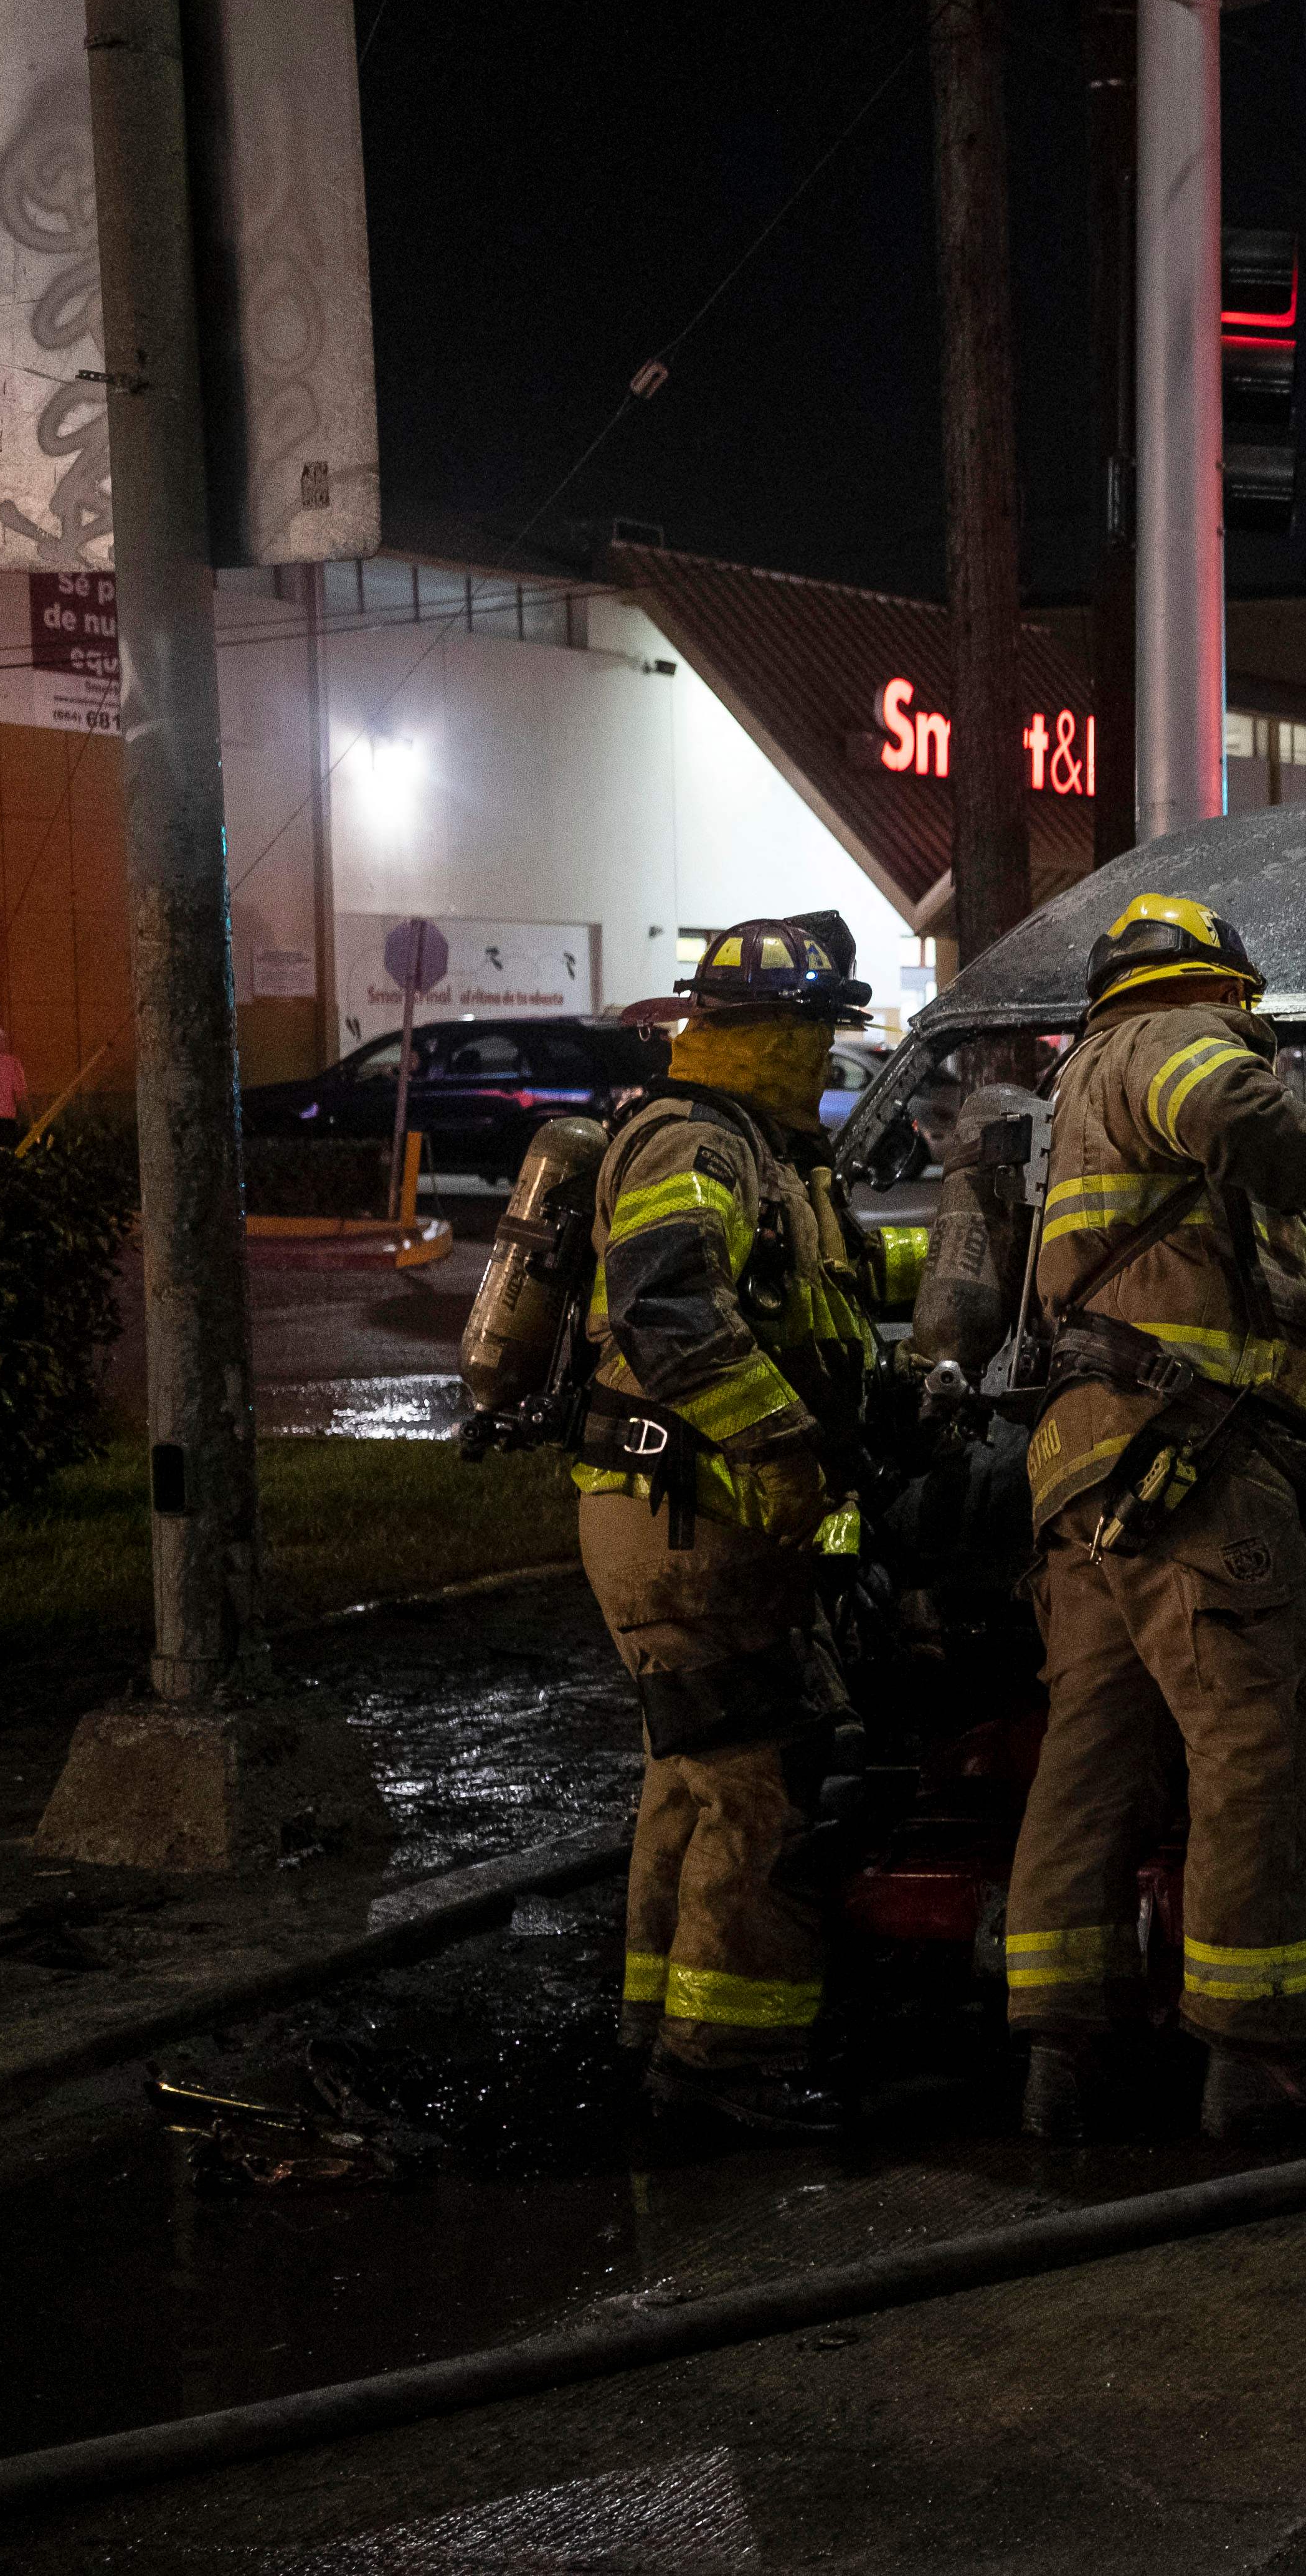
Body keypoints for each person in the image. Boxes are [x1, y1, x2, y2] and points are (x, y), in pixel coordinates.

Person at [1005, 891, 1306, 2146]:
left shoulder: (1094, 1087)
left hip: (1092, 1472)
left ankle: (1064, 2055)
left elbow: (1271, 1267)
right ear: (1224, 992)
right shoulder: (1172, 1043)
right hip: (1199, 1465)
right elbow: (1243, 1113)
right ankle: (1261, 2058)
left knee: (1095, 1750)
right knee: (1253, 1744)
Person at [576, 913, 920, 2135]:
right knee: (763, 1787)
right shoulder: (698, 1142)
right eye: (816, 1036)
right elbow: (669, 1308)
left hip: (708, 1522)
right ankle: (725, 2071)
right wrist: (779, 1444)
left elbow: (825, 1300)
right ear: (767, 1034)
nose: (824, 1061)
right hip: (690, 1517)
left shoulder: (768, 1160)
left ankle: (653, 2034)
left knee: (695, 1777)